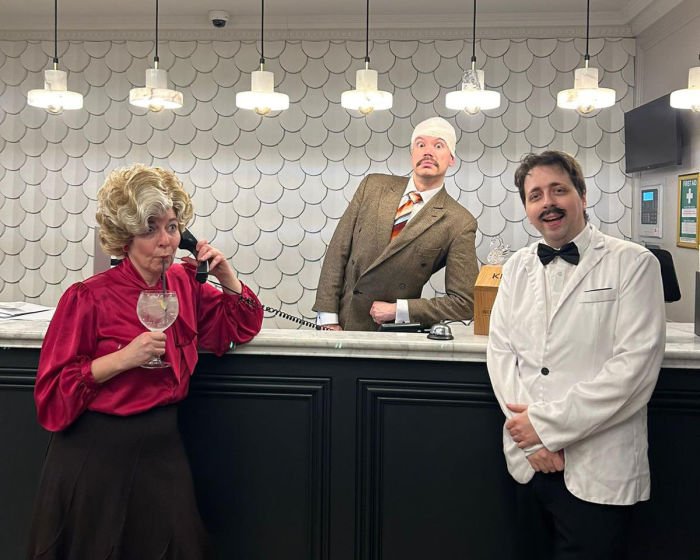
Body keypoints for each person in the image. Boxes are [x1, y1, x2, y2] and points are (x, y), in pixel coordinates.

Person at [27, 164, 263, 559]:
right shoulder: (88, 297)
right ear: (125, 238)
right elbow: (51, 398)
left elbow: (238, 325)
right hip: (96, 456)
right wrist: (121, 359)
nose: (166, 241)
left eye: (172, 227)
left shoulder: (186, 284)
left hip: (161, 450)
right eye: (150, 229)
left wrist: (225, 275)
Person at [486, 150, 665, 559]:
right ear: (527, 209)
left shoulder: (633, 264)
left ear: (582, 196)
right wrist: (532, 442)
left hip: (597, 465)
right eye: (535, 195)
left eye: (558, 190)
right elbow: (501, 353)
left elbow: (633, 371)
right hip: (527, 464)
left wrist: (546, 429)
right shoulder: (515, 268)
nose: (547, 202)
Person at [313, 117, 479, 331]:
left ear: (452, 158)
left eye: (438, 145)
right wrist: (328, 320)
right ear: (412, 154)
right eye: (420, 144)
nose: (428, 151)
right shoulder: (372, 187)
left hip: (391, 335)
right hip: (340, 325)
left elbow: (465, 302)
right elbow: (338, 251)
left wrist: (400, 310)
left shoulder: (459, 222)